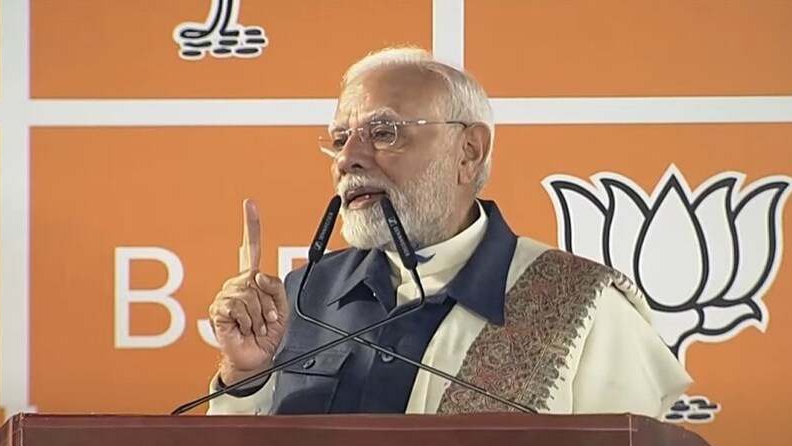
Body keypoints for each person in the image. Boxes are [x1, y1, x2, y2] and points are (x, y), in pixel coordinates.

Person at [205, 46, 692, 418]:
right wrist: (245, 375)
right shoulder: (303, 296)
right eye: (338, 140)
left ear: (469, 152)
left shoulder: (582, 306)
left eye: (383, 132)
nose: (347, 159)